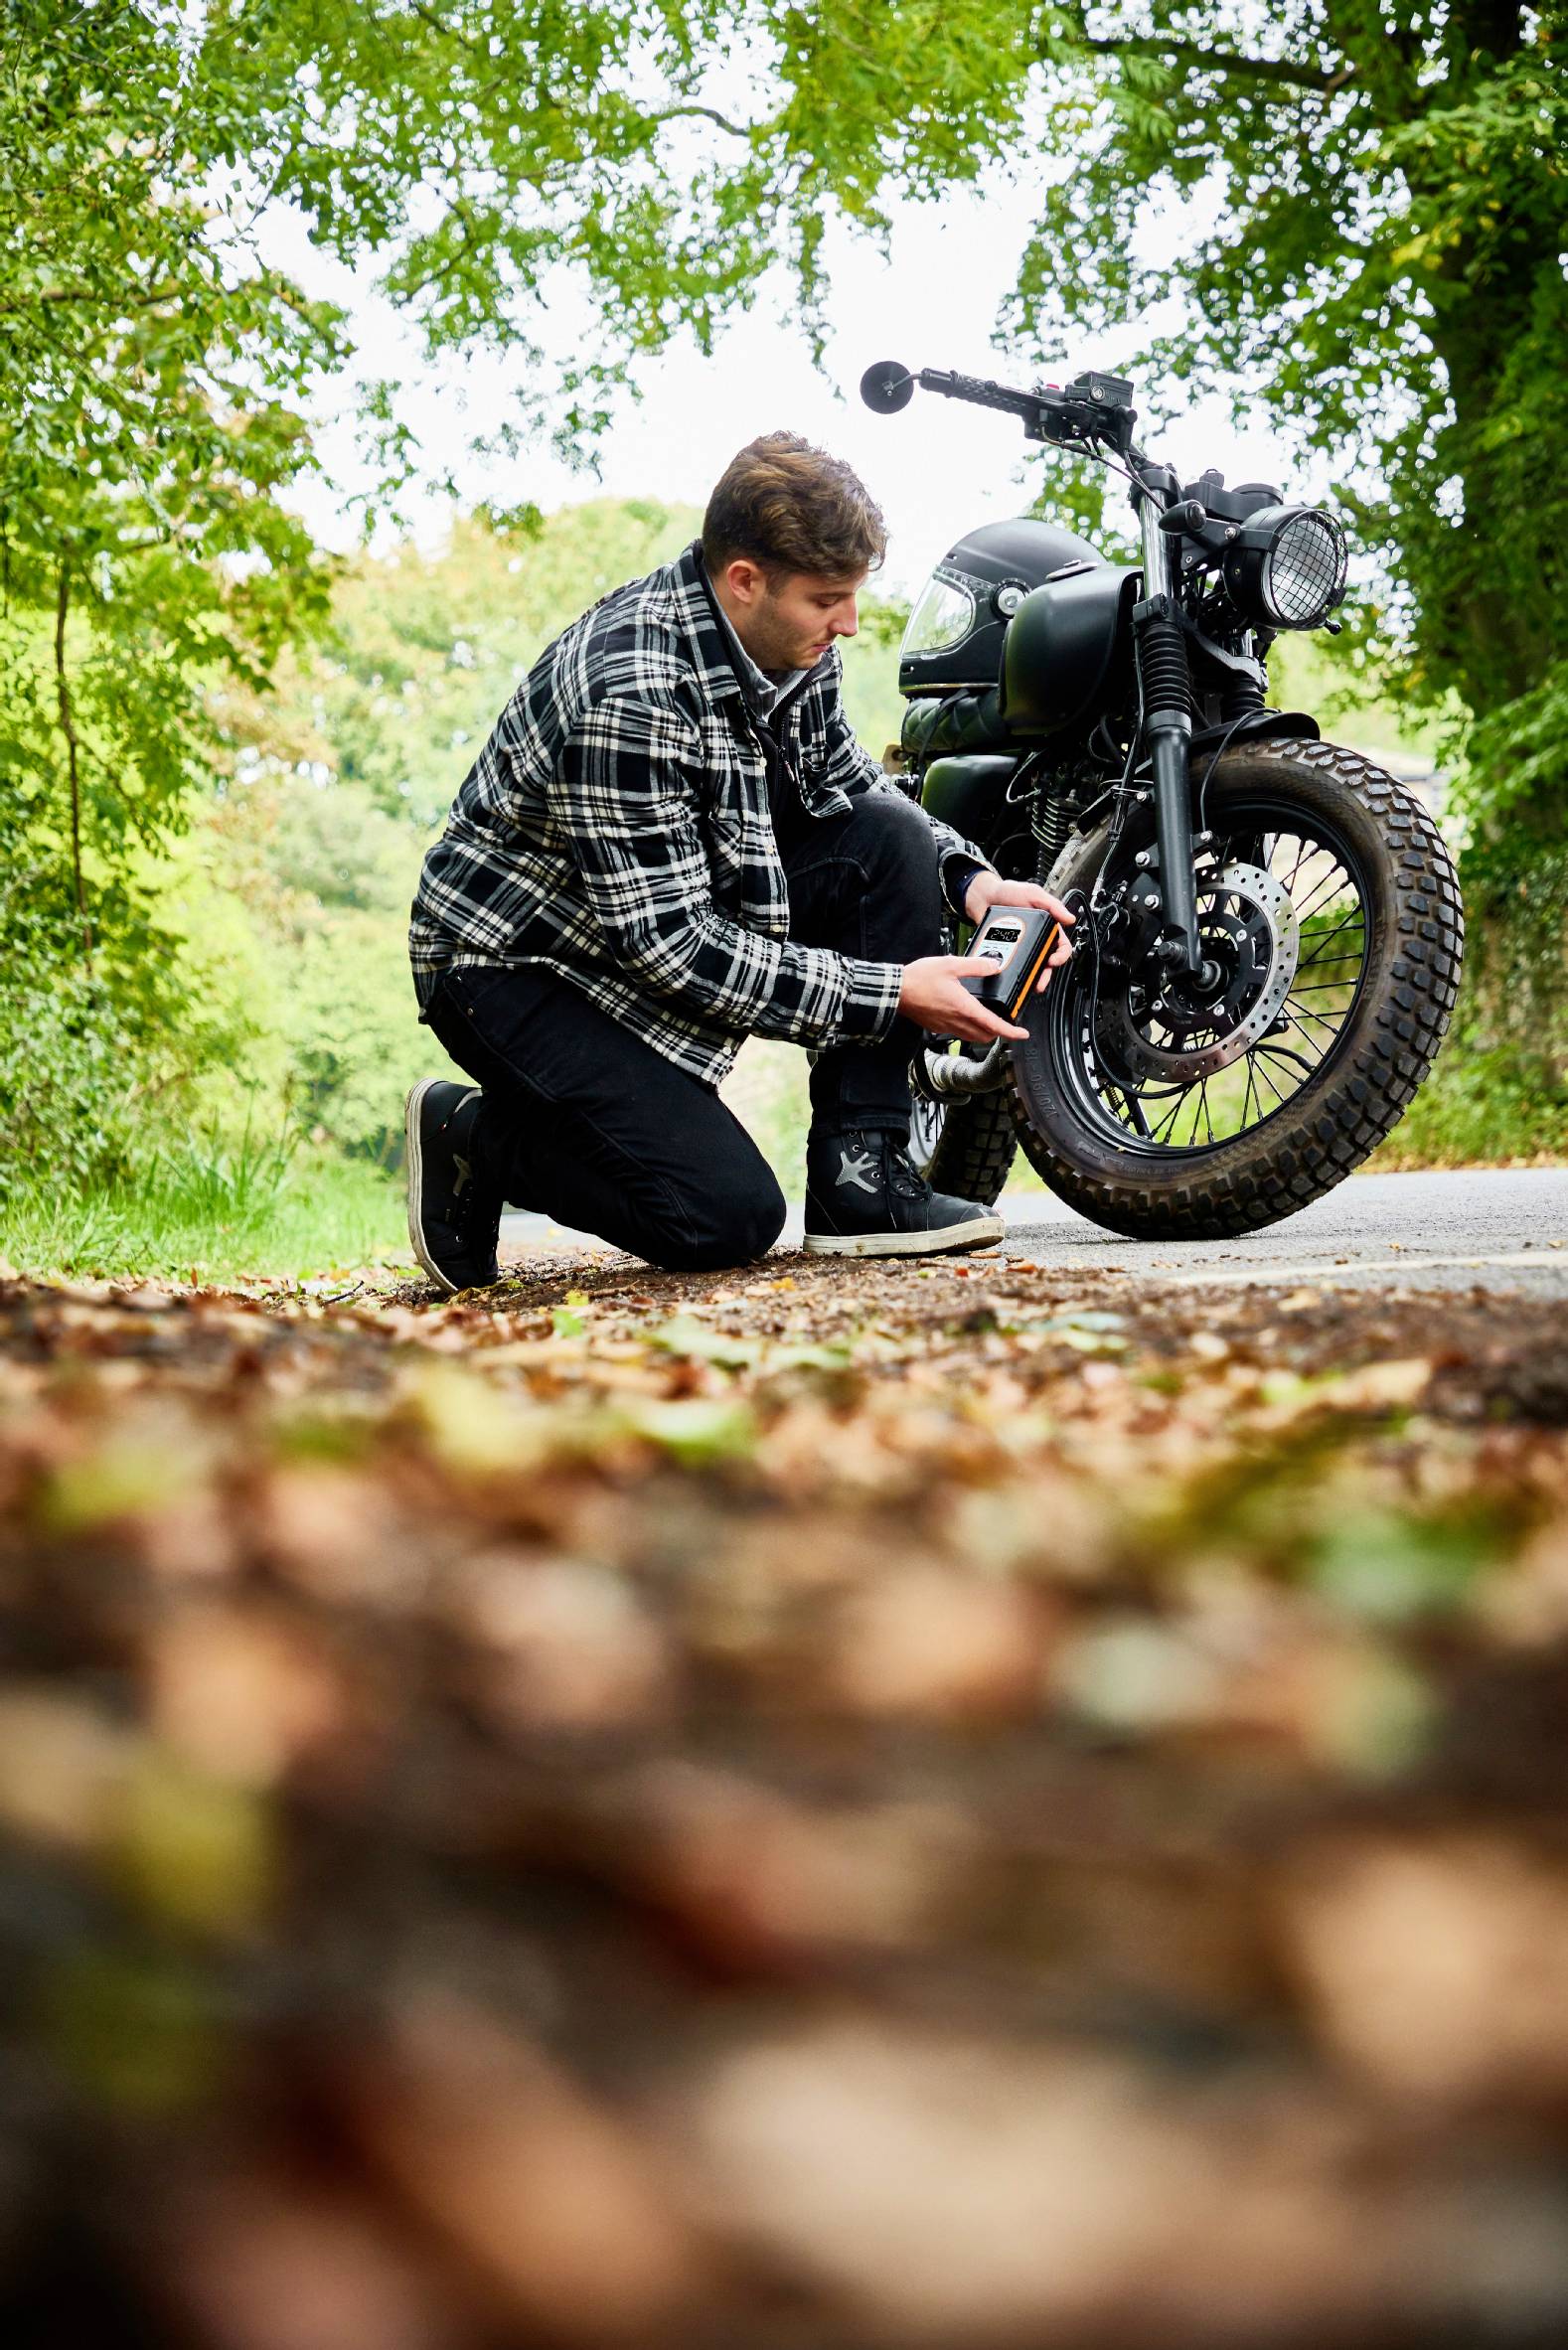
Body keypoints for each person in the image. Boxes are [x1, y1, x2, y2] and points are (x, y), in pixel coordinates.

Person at [404, 431, 1072, 1290]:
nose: (849, 623)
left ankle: (861, 1184)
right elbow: (674, 947)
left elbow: (848, 782)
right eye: (828, 599)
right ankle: (472, 1135)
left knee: (890, 835)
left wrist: (971, 881)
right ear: (745, 580)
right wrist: (894, 991)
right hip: (515, 968)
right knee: (723, 1217)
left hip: (643, 922)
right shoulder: (633, 692)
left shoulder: (788, 644)